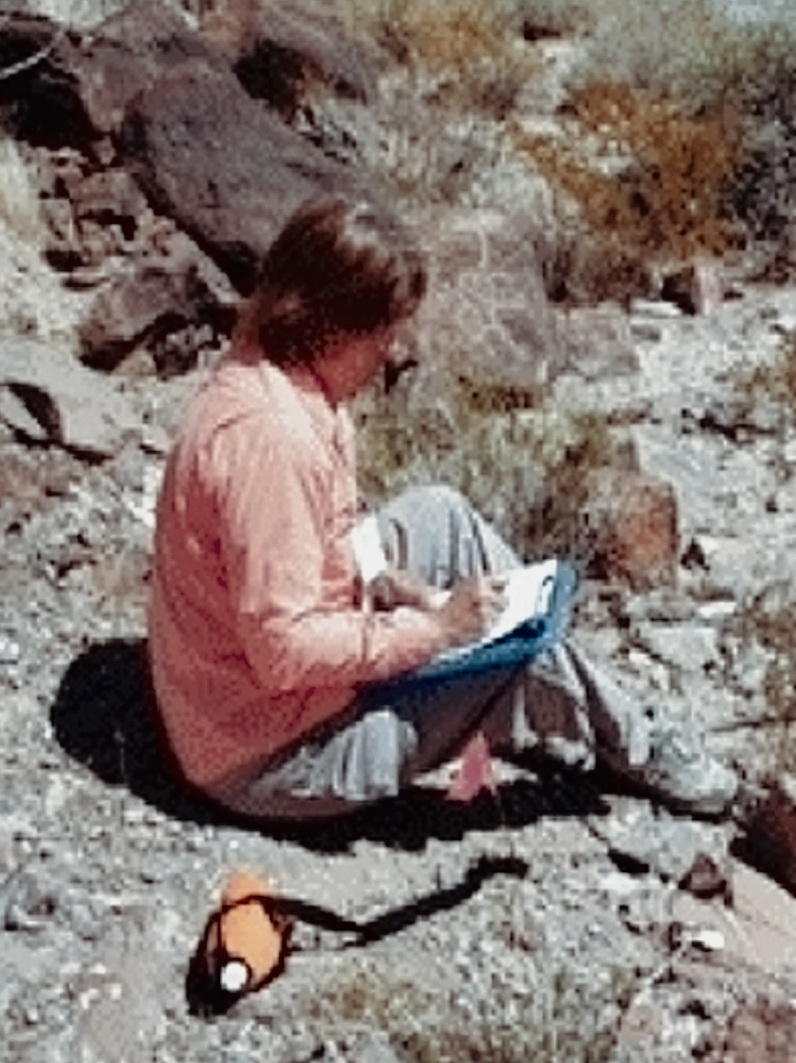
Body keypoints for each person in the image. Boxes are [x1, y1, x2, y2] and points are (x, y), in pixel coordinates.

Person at [146, 194, 739, 822]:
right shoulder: (274, 438)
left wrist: (381, 577)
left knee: (441, 514)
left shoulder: (277, 369)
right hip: (274, 756)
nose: (394, 350)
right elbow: (284, 650)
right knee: (517, 653)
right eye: (383, 331)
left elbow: (330, 528)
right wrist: (434, 631)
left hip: (239, 704)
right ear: (331, 322)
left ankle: (578, 697)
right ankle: (637, 741)